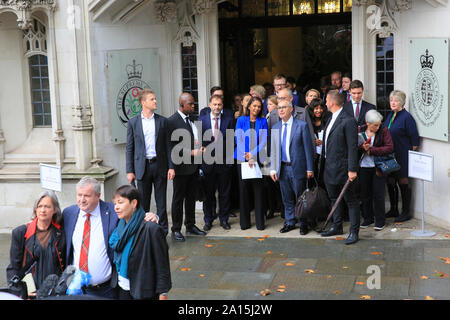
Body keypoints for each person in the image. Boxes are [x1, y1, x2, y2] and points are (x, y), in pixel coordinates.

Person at [126, 89, 174, 234]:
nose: (155, 101)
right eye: (152, 99)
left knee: (161, 202)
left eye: (155, 99)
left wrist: (171, 167)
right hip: (142, 167)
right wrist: (130, 170)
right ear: (143, 102)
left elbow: (168, 146)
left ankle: (163, 231)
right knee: (143, 202)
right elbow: (130, 148)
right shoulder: (133, 123)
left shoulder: (162, 121)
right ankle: (143, 230)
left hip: (160, 166)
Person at [110, 185, 171, 300]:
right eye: (115, 204)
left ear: (134, 203)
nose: (116, 208)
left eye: (120, 202)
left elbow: (162, 264)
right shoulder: (119, 226)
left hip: (143, 291)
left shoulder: (151, 229)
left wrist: (163, 293)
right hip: (121, 288)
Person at [62, 176, 118, 298]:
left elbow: (133, 216)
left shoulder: (113, 212)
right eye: (79, 195)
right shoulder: (68, 213)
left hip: (104, 290)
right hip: (75, 288)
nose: (82, 200)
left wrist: (151, 217)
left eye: (86, 196)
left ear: (98, 196)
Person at [319, 90, 360, 245]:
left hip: (344, 169)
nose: (325, 103)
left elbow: (352, 147)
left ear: (332, 102)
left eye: (326, 100)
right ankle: (337, 226)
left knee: (351, 201)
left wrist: (352, 169)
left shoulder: (348, 120)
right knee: (334, 198)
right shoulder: (330, 118)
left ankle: (354, 232)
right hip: (329, 168)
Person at [270, 99, 315, 235]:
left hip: (298, 167)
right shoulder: (276, 127)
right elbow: (274, 150)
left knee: (300, 197)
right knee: (287, 197)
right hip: (282, 168)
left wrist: (310, 168)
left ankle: (303, 223)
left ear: (291, 109)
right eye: (279, 108)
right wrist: (273, 168)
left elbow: (308, 148)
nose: (281, 110)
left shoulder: (301, 125)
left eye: (284, 107)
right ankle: (290, 222)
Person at [7, 191, 65, 295]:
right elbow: (13, 268)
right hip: (30, 292)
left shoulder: (61, 233)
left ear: (55, 210)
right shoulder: (21, 233)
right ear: (35, 209)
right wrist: (21, 292)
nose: (43, 210)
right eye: (40, 206)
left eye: (47, 206)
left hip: (54, 292)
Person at [167, 93, 206, 242]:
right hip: (180, 167)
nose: (193, 106)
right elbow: (171, 147)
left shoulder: (193, 120)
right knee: (178, 199)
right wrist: (190, 152)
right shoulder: (171, 121)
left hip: (194, 167)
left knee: (191, 198)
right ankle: (176, 229)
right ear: (182, 105)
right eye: (190, 104)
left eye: (193, 103)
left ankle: (190, 225)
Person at [198, 95, 234, 231]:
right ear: (210, 105)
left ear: (222, 105)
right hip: (207, 163)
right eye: (214, 104)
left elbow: (231, 141)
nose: (217, 107)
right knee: (208, 194)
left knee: (224, 193)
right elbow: (199, 143)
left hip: (224, 162)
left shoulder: (229, 120)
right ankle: (208, 219)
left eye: (219, 104)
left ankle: (224, 219)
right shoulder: (201, 120)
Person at [383, 90, 420, 222]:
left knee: (403, 182)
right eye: (391, 100)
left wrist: (405, 153)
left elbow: (415, 142)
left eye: (396, 100)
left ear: (402, 103)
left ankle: (405, 212)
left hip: (402, 156)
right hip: (390, 156)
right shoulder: (390, 115)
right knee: (391, 181)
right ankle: (394, 209)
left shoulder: (407, 117)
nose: (393, 103)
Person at [235, 96, 268, 230]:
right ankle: (245, 223)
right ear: (248, 106)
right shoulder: (241, 120)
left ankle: (260, 223)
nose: (256, 108)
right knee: (244, 191)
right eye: (254, 106)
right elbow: (238, 138)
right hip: (242, 158)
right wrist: (247, 156)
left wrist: (253, 154)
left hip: (257, 159)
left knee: (258, 190)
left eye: (259, 106)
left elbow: (264, 141)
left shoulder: (263, 121)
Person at [358, 110, 394, 231]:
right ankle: (367, 218)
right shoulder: (360, 130)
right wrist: (362, 147)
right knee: (365, 194)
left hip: (378, 166)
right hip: (363, 166)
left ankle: (380, 220)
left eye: (379, 124)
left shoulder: (384, 131)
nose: (378, 127)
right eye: (375, 125)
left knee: (378, 194)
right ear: (368, 123)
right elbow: (353, 145)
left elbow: (389, 147)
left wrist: (372, 150)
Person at [268, 88, 315, 154]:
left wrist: (312, 157)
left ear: (291, 98)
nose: (280, 101)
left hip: (299, 158)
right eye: (278, 98)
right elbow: (270, 139)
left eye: (283, 98)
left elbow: (310, 136)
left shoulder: (302, 112)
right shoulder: (273, 114)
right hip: (279, 159)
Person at [307, 98, 330, 177]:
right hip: (313, 154)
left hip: (325, 153)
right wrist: (313, 141)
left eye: (321, 108)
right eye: (316, 108)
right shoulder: (308, 121)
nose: (319, 111)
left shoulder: (327, 119)